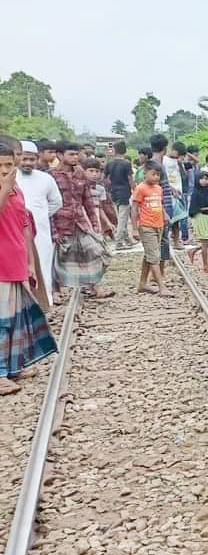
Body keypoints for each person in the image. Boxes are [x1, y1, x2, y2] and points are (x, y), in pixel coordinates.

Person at [0, 143, 57, 395]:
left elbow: (24, 223)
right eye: (0, 166)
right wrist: (4, 188)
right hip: (1, 267)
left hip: (16, 263)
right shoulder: (6, 189)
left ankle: (14, 366)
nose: (5, 171)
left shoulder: (17, 191)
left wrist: (30, 264)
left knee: (16, 319)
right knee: (2, 321)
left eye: (8, 165)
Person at [50, 142, 111, 299]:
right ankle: (56, 290)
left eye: (76, 154)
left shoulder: (80, 173)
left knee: (95, 250)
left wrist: (95, 224)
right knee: (57, 258)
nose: (75, 157)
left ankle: (95, 286)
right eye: (71, 154)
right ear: (60, 155)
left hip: (80, 222)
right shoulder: (52, 176)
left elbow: (88, 201)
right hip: (60, 223)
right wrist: (53, 229)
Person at [14, 141, 61, 306]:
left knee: (43, 264)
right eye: (24, 159)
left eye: (31, 159)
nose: (27, 163)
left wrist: (37, 218)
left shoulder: (46, 179)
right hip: (14, 231)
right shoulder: (9, 178)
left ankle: (45, 302)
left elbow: (56, 202)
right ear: (17, 157)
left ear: (37, 159)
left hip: (40, 232)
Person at [131, 163, 172, 296]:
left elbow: (159, 203)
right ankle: (162, 287)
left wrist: (164, 214)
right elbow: (134, 208)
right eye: (153, 174)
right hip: (146, 226)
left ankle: (142, 284)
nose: (156, 177)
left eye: (158, 175)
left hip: (158, 225)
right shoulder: (140, 188)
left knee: (149, 255)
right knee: (155, 257)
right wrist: (134, 228)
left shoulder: (158, 189)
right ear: (145, 173)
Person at [185, 170, 208, 273]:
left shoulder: (207, 190)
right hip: (199, 218)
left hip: (206, 218)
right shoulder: (195, 193)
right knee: (205, 243)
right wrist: (207, 208)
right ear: (198, 179)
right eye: (202, 179)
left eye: (206, 179)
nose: (204, 181)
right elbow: (193, 210)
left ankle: (194, 250)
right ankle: (206, 267)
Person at [105, 140, 135, 248]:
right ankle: (119, 241)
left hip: (114, 192)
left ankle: (127, 238)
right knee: (123, 217)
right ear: (125, 150)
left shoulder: (110, 164)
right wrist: (134, 189)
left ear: (114, 150)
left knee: (121, 216)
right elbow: (130, 178)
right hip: (124, 192)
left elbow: (106, 178)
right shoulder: (126, 163)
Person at [84, 159, 117, 241]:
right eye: (91, 171)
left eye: (97, 171)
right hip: (84, 218)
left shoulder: (100, 189)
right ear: (84, 171)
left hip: (96, 218)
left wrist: (108, 223)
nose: (94, 174)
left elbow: (100, 208)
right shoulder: (81, 187)